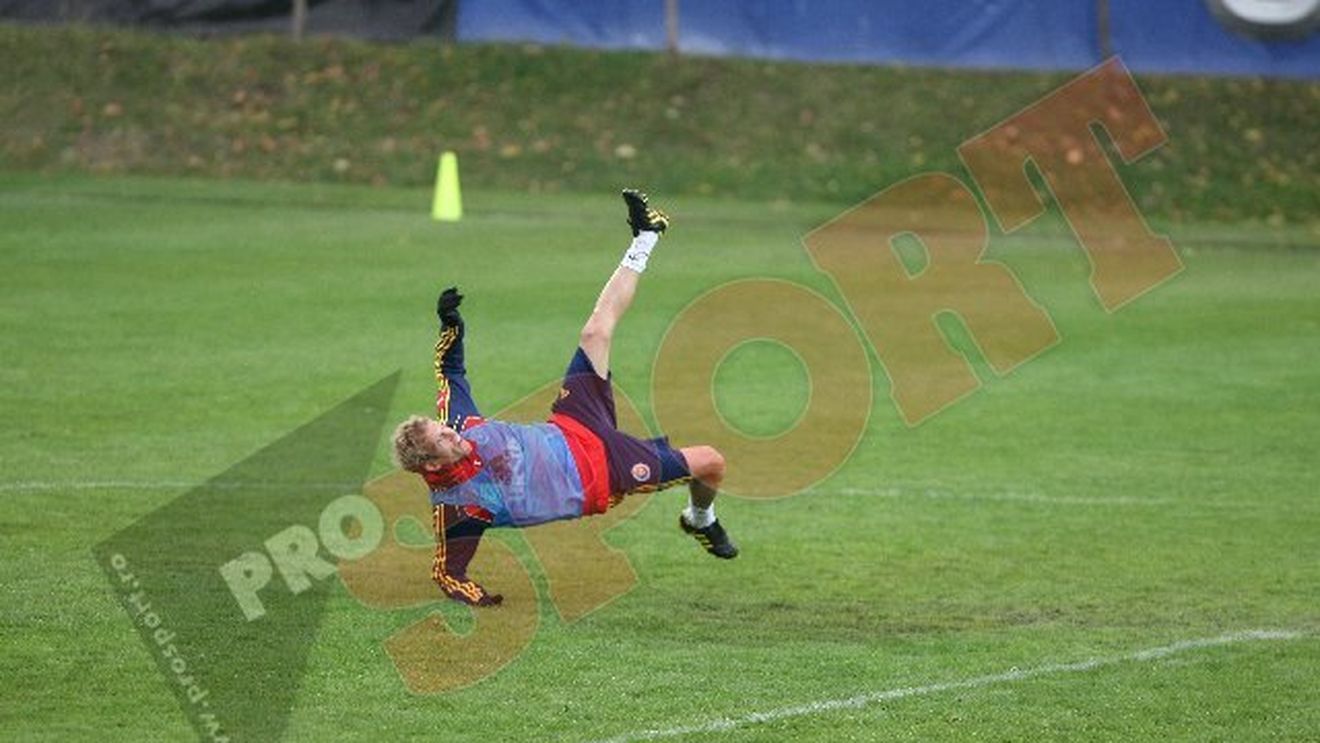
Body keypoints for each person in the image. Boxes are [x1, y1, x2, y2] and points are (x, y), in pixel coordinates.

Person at [392, 190, 738, 606]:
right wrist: (479, 598)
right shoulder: (459, 507)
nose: (451, 432)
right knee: (711, 463)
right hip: (605, 472)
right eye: (442, 440)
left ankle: (645, 235)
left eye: (442, 426)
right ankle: (700, 519)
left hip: (574, 423)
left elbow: (450, 371)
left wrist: (450, 325)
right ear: (431, 463)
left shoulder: (461, 425)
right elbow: (447, 572)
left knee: (595, 332)